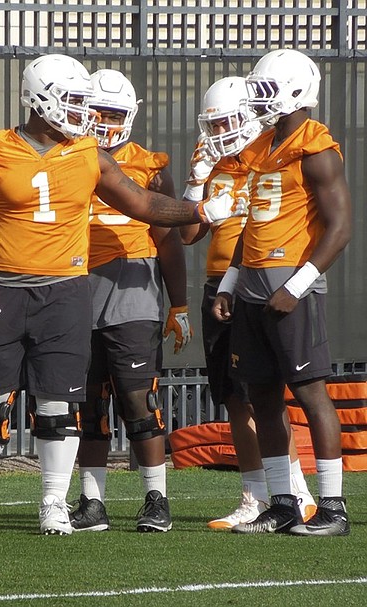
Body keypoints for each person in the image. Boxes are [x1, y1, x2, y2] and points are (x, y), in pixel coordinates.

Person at [0, 53, 244, 537]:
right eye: (69, 100)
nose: (79, 111)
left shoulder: (90, 153)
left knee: (58, 403)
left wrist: (201, 212)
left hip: (66, 292)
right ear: (36, 99)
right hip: (3, 287)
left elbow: (143, 203)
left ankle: (53, 503)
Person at [213, 49, 352, 536]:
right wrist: (231, 281)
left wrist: (297, 285)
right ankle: (283, 503)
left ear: (296, 92)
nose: (259, 101)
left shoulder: (316, 148)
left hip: (292, 282)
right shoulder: (261, 147)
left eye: (266, 91)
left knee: (311, 394)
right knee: (263, 397)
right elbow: (252, 223)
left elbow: (340, 227)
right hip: (252, 284)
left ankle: (333, 508)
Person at [180, 76, 316, 530]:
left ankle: (296, 491)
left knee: (267, 396)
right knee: (236, 399)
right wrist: (196, 183)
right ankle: (254, 496)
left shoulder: (271, 161)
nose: (220, 131)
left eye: (228, 120)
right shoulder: (216, 166)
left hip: (264, 283)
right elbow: (187, 234)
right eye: (214, 123)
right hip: (218, 286)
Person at [70, 69, 191, 534]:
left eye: (114, 113)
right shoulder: (70, 156)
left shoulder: (149, 164)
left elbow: (169, 240)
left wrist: (178, 304)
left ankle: (155, 498)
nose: (104, 121)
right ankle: (92, 502)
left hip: (131, 289)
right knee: (87, 404)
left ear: (130, 115)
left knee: (139, 399)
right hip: (76, 286)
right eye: (97, 111)